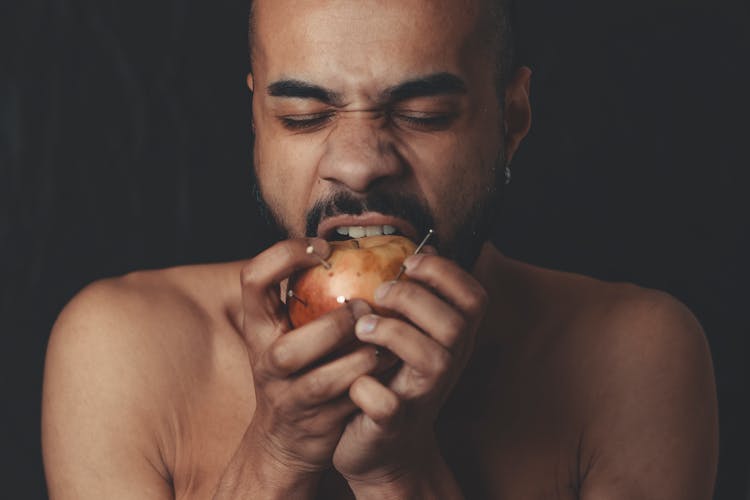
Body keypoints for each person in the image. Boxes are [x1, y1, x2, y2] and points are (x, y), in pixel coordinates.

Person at [41, 0, 718, 498]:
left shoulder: (630, 356)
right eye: (304, 117)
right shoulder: (124, 346)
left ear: (512, 119)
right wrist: (277, 455)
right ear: (256, 123)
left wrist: (399, 474)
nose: (359, 165)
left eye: (423, 115)